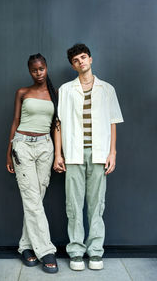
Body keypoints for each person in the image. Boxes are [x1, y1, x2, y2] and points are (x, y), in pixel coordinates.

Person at [53, 43, 124, 271]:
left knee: (96, 205)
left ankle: (95, 252)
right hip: (73, 153)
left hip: (99, 152)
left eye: (84, 57)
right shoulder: (65, 90)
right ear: (73, 65)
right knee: (73, 205)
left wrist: (112, 152)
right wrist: (58, 154)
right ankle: (75, 252)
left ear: (91, 59)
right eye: (76, 60)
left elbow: (113, 121)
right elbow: (58, 124)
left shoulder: (107, 89)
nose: (81, 62)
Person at [6, 53, 58, 274]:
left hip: (46, 147)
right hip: (23, 146)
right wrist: (9, 152)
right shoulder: (22, 92)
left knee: (36, 199)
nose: (39, 73)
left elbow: (57, 126)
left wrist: (59, 155)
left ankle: (26, 246)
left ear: (47, 68)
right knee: (32, 199)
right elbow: (15, 121)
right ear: (29, 71)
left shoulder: (55, 94)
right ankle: (46, 250)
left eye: (42, 68)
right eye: (34, 70)